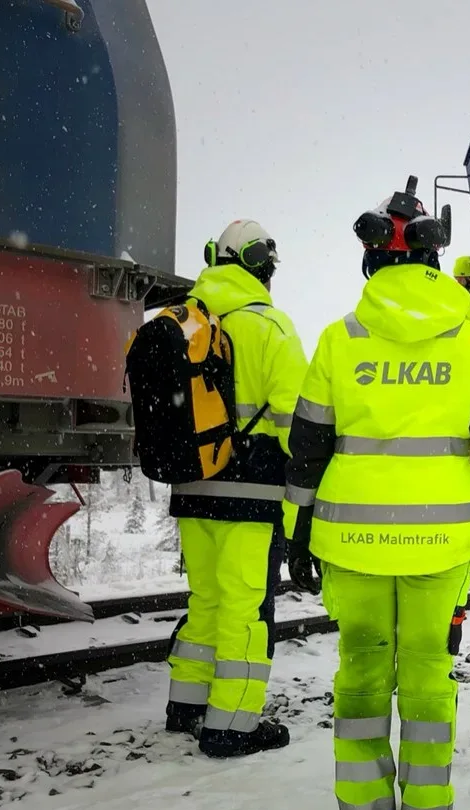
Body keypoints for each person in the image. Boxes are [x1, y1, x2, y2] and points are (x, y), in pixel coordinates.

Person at [281, 179, 470, 810]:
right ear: (431, 260)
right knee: (426, 673)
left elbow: (306, 451)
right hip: (441, 541)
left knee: (359, 668)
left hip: (351, 540)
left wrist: (297, 532)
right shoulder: (468, 342)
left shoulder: (338, 341)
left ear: (370, 260)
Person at [164, 219, 309, 758]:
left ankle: (187, 705)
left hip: (191, 485)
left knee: (206, 600)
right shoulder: (268, 327)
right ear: (261, 267)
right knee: (246, 609)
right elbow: (298, 421)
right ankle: (230, 726)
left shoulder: (187, 321)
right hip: (251, 490)